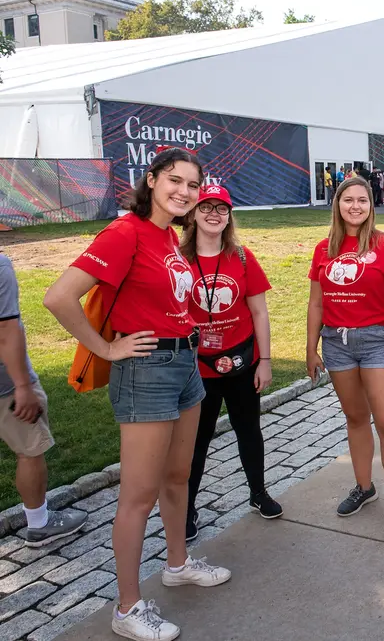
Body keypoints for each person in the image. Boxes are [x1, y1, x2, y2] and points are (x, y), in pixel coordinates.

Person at [45, 148, 230, 641]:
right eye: (175, 180)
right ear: (151, 179)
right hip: (145, 370)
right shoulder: (125, 232)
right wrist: (106, 346)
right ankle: (127, 608)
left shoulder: (169, 236)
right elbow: (58, 296)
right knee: (138, 494)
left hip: (185, 364)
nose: (184, 192)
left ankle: (177, 563)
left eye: (193, 185)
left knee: (177, 477)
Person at [306, 177, 384, 531]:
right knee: (356, 418)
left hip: (378, 342)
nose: (355, 206)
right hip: (336, 343)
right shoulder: (323, 249)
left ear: (371, 205)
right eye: (348, 200)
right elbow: (317, 302)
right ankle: (364, 487)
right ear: (338, 204)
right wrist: (311, 348)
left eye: (362, 200)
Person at [181, 185, 281, 544]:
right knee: (195, 441)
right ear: (192, 214)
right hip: (196, 368)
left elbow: (259, 312)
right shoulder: (178, 259)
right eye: (205, 207)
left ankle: (258, 492)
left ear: (229, 216)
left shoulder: (240, 257)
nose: (213, 214)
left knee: (249, 430)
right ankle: (186, 508)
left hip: (240, 360)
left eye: (220, 209)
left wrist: (265, 361)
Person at [0, 256, 89, 548]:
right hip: (5, 384)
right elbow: (6, 330)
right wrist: (23, 386)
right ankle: (39, 523)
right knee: (29, 451)